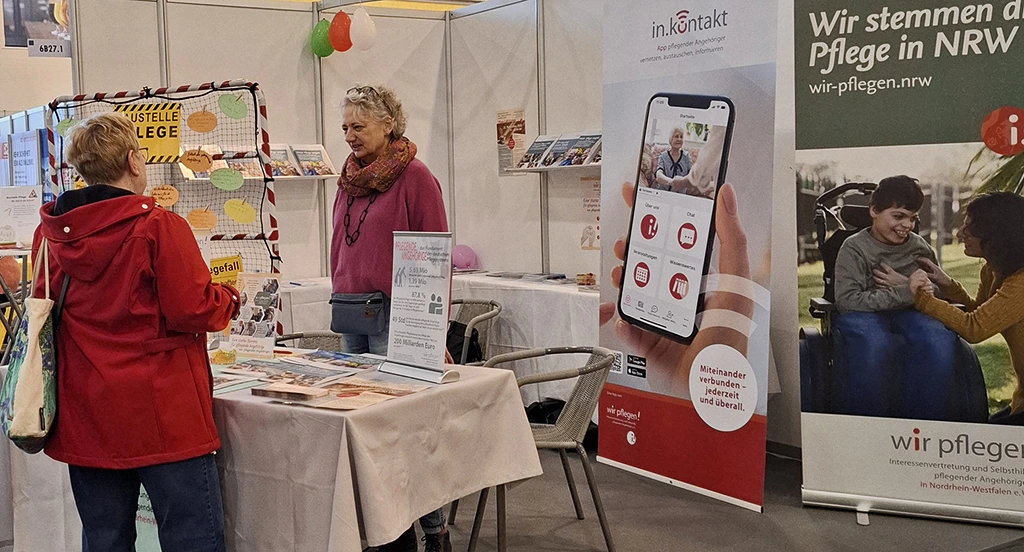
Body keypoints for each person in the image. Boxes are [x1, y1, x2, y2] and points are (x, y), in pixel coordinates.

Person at [33, 112, 239, 551]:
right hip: (164, 413)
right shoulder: (158, 227)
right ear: (133, 160)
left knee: (105, 540)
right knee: (193, 539)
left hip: (87, 412)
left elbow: (42, 311)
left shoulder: (50, 237)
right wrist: (230, 298)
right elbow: (193, 308)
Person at [330, 84, 452, 552]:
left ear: (388, 125)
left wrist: (432, 327)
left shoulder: (415, 177)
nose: (349, 136)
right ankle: (383, 531)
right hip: (350, 316)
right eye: (345, 127)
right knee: (365, 434)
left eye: (358, 126)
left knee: (404, 433)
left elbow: (435, 253)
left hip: (399, 320)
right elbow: (341, 248)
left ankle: (433, 530)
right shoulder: (347, 179)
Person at [831, 175, 959, 419]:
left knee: (937, 340)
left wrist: (913, 290)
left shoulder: (920, 248)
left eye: (912, 218)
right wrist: (906, 291)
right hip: (863, 315)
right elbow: (848, 301)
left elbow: (936, 292)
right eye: (898, 216)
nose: (907, 225)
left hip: (910, 314)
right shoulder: (854, 248)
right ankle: (873, 421)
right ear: (874, 211)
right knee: (875, 344)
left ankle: (925, 422)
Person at [911, 192, 1024, 422]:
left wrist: (920, 297)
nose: (960, 233)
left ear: (996, 233)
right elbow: (978, 312)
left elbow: (974, 328)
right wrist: (947, 284)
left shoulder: (1021, 282)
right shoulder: (993, 270)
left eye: (970, 228)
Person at [654, 127, 692, 191]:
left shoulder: (686, 156)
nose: (679, 139)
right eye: (676, 136)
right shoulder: (663, 156)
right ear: (671, 139)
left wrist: (681, 182)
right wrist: (672, 182)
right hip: (663, 192)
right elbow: (658, 175)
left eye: (681, 137)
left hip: (680, 194)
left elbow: (692, 176)